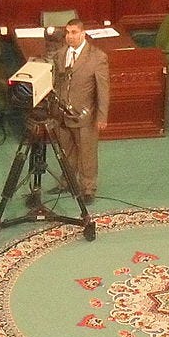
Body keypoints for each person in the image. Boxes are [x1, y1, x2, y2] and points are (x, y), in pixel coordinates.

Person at [48, 18, 110, 205]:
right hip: (62, 114)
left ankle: (88, 188)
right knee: (66, 151)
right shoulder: (60, 55)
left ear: (83, 33)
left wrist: (102, 116)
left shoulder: (97, 57)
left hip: (85, 115)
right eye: (67, 32)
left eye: (74, 32)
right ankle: (67, 181)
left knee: (87, 153)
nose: (70, 36)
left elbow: (103, 89)